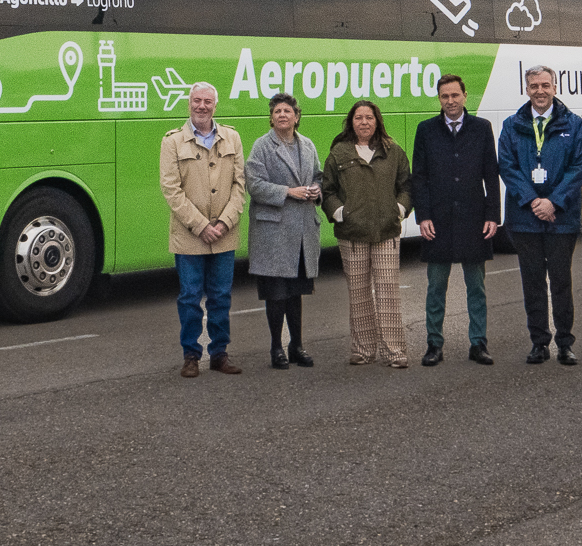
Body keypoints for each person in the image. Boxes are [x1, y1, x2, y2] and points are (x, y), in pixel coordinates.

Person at [497, 65, 582, 365]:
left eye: (545, 85)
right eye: (534, 85)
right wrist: (534, 201)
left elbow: (579, 168)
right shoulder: (512, 125)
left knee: (562, 282)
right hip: (524, 219)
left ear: (554, 87)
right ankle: (539, 342)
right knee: (533, 283)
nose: (540, 91)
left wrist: (553, 202)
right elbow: (507, 167)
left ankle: (565, 343)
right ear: (527, 89)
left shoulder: (574, 124)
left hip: (561, 218)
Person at [411, 74, 501, 366]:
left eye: (454, 95)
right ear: (439, 99)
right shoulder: (425, 130)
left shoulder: (481, 128)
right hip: (437, 221)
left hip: (474, 220)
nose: (450, 101)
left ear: (465, 96)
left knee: (476, 287)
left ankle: (478, 344)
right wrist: (422, 216)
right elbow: (419, 178)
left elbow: (491, 174)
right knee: (436, 287)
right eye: (444, 97)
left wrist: (493, 216)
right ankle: (434, 344)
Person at [159, 82, 248, 378]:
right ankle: (191, 355)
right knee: (190, 296)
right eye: (197, 100)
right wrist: (200, 225)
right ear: (188, 103)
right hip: (189, 237)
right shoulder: (172, 142)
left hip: (224, 234)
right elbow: (171, 190)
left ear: (215, 105)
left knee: (221, 296)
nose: (201, 106)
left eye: (207, 101)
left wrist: (223, 222)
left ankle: (220, 353)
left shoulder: (232, 138)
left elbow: (240, 186)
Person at [320, 99, 413, 368]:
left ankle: (395, 352)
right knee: (358, 293)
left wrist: (399, 209)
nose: (364, 122)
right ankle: (363, 350)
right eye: (358, 118)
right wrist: (340, 213)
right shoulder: (339, 153)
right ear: (351, 122)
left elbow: (406, 186)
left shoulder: (393, 151)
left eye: (369, 117)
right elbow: (328, 190)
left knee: (388, 293)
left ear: (377, 121)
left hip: (386, 231)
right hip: (351, 233)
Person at [244, 91, 322, 370]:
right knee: (276, 294)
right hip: (273, 234)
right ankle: (276, 348)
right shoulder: (261, 146)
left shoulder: (308, 145)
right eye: (277, 111)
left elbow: (318, 176)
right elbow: (253, 184)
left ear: (297, 117)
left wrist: (317, 191)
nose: (282, 115)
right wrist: (288, 191)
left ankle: (296, 346)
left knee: (296, 293)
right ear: (271, 118)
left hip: (301, 232)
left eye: (287, 111)